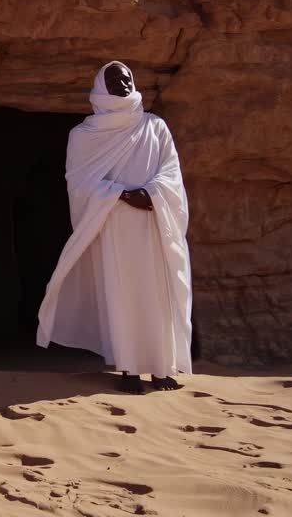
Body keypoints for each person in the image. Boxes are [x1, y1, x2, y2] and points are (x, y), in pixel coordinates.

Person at [35, 61, 192, 394]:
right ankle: (129, 370)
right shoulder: (83, 135)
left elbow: (171, 172)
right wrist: (120, 194)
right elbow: (79, 182)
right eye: (114, 78)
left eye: (127, 77)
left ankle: (163, 369)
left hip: (154, 223)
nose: (123, 82)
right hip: (112, 226)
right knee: (122, 295)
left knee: (157, 294)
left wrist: (149, 194)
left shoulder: (155, 126)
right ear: (101, 86)